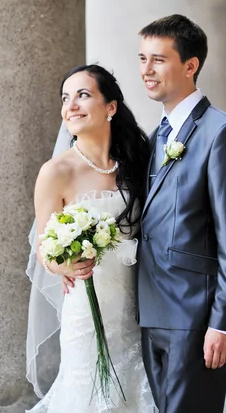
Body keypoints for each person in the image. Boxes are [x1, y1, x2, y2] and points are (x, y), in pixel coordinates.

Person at [137, 14, 226, 413]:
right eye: (142, 58)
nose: (146, 70)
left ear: (190, 66)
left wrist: (224, 323)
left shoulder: (224, 134)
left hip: (195, 317)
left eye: (158, 59)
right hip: (150, 312)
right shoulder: (155, 137)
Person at [26, 64, 155, 412]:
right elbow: (45, 248)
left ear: (110, 107)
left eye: (83, 95)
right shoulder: (56, 172)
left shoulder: (137, 161)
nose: (71, 105)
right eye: (66, 98)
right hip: (87, 309)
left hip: (140, 305)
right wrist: (64, 262)